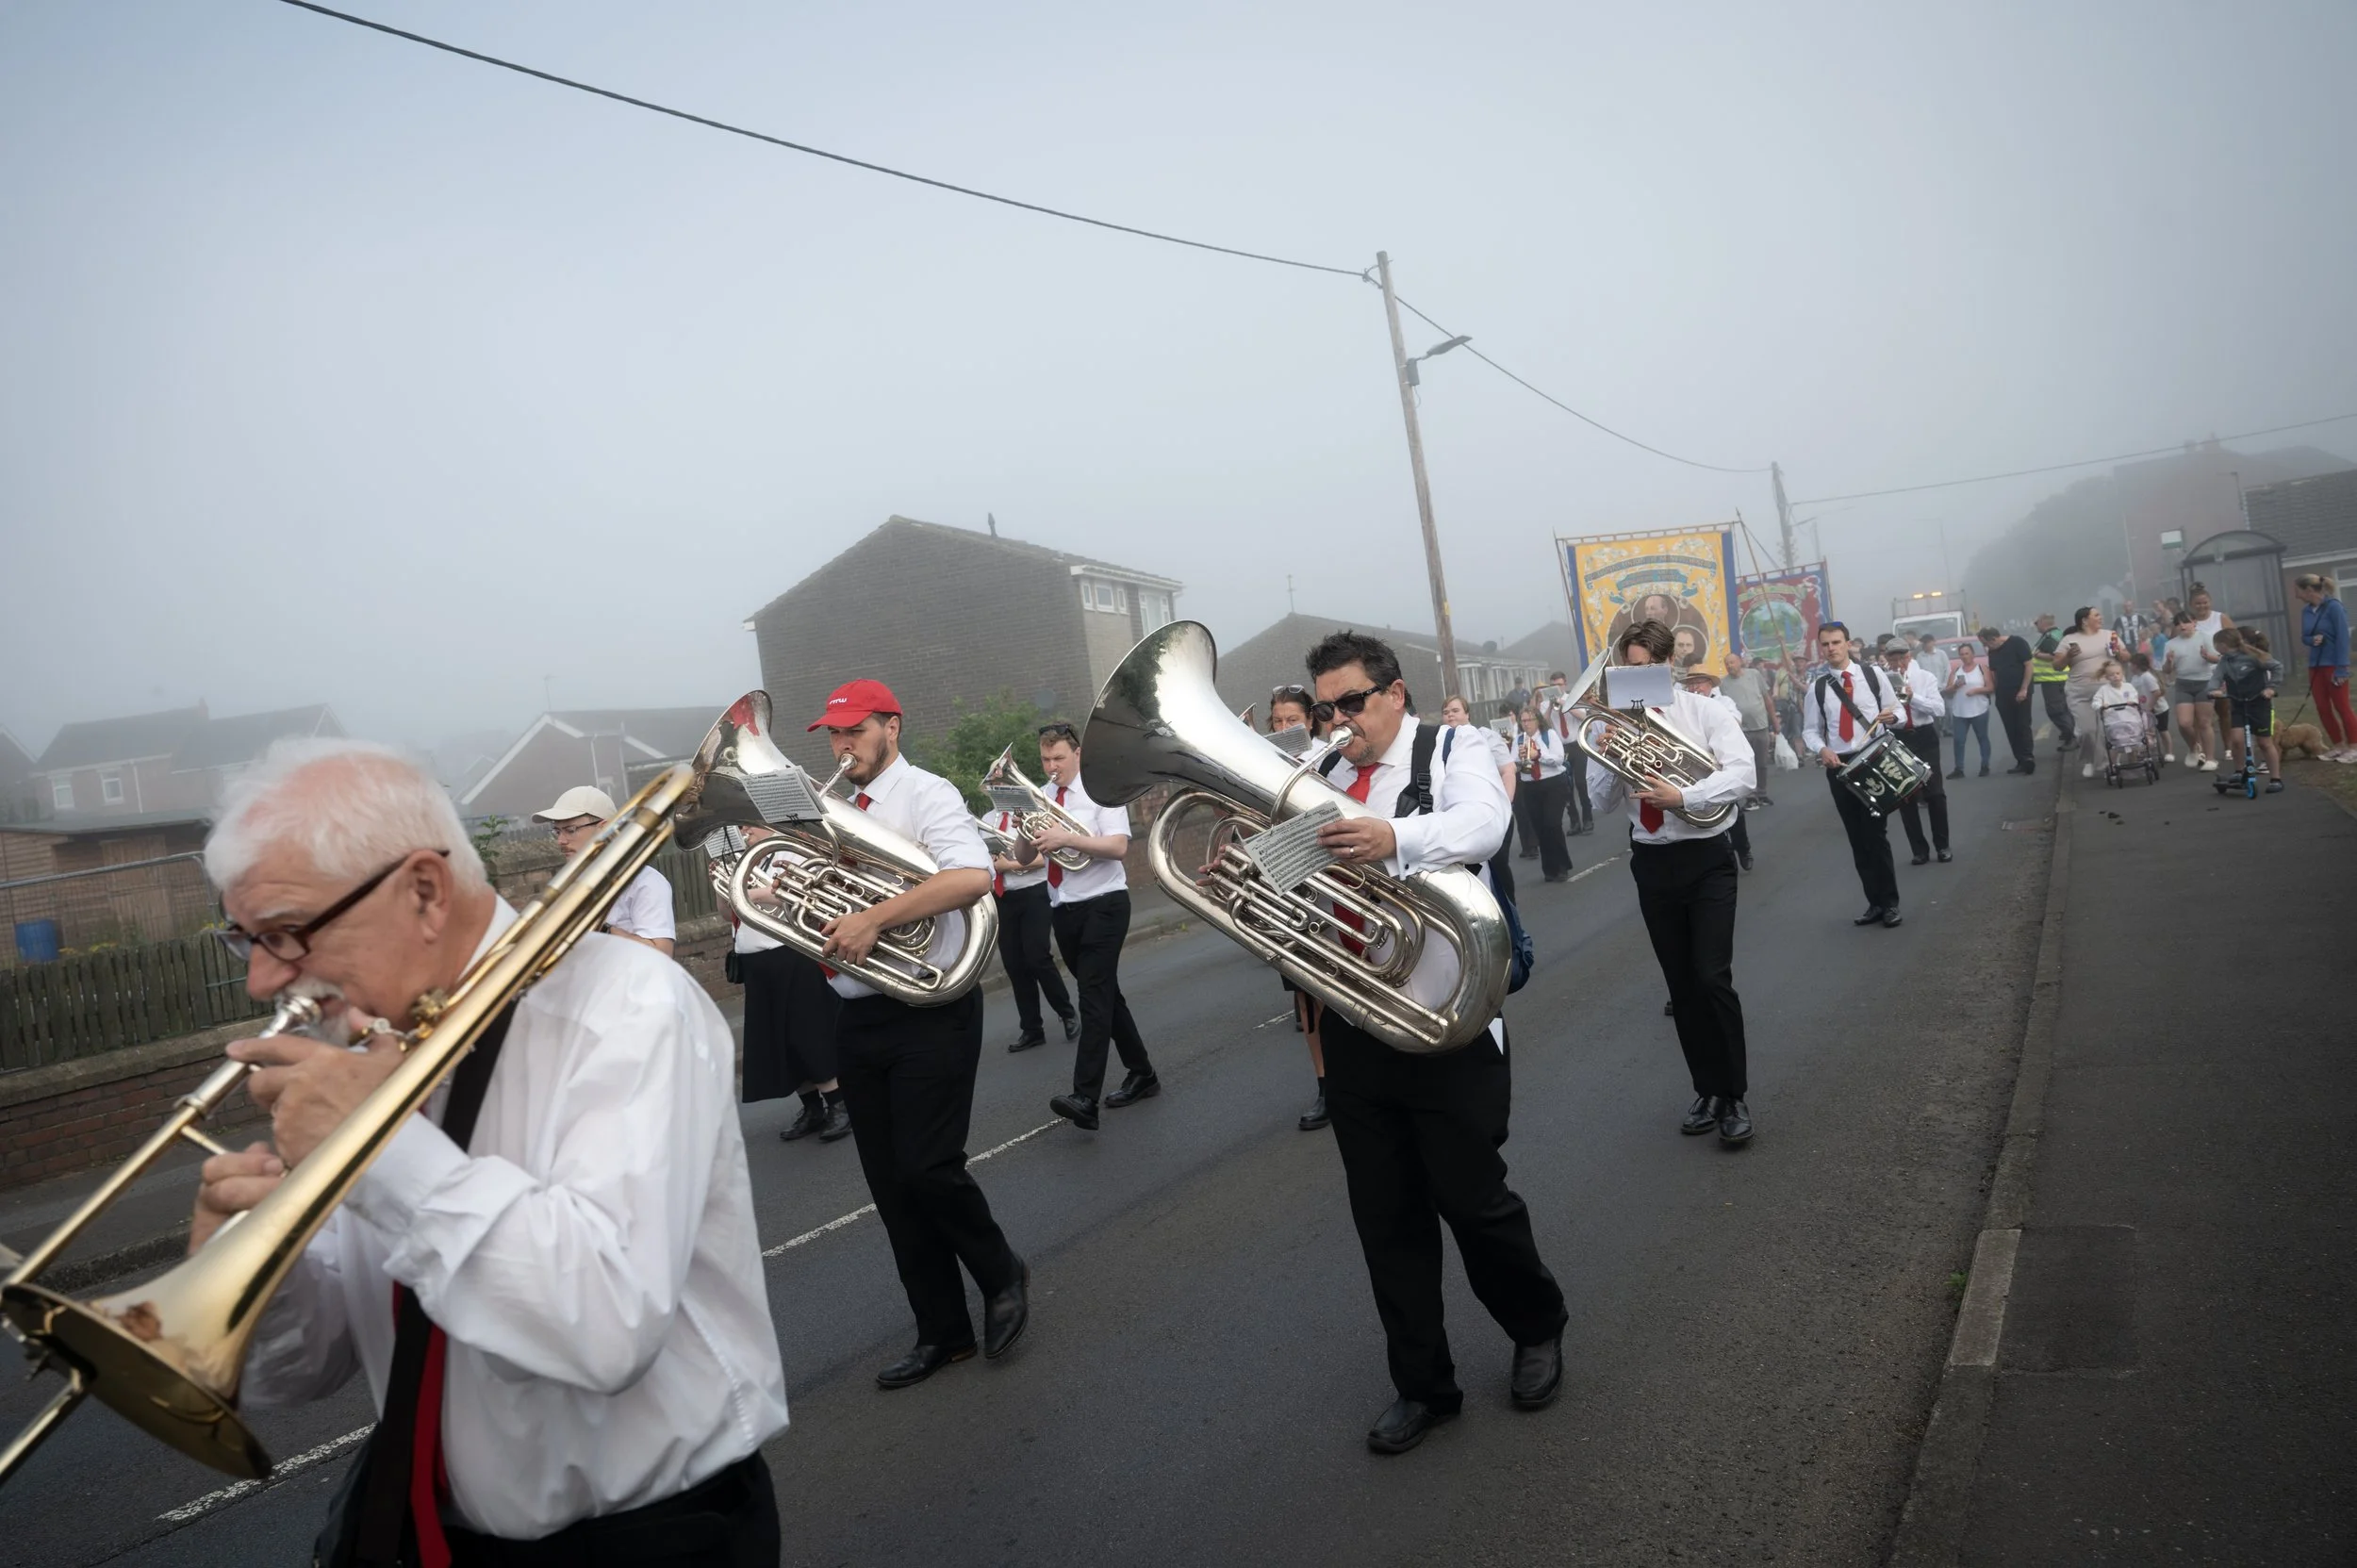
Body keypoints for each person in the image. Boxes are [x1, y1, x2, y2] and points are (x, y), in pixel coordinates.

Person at [194, 739, 788, 1561]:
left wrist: (384, 1153)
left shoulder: (630, 1005)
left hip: (645, 1539)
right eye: (244, 938)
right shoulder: (365, 1040)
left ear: (425, 891)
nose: (262, 979)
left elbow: (604, 1325)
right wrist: (253, 1269)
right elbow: (305, 1370)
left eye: (287, 932)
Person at [1300, 630, 1568, 1454]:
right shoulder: (1319, 777)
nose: (1339, 721)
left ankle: (1536, 1326)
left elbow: (1484, 828)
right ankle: (1425, 1386)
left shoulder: (1455, 746)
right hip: (1357, 1026)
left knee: (1473, 1200)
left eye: (1352, 702)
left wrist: (1396, 839)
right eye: (1326, 707)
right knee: (1387, 1219)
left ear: (1394, 693)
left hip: (1447, 1021)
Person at [807, 679, 1030, 1388]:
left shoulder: (926, 794)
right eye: (835, 736)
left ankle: (1000, 1272)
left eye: (855, 732)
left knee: (929, 1167)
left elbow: (973, 874)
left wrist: (873, 917)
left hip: (932, 1005)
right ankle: (942, 1332)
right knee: (891, 1187)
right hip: (860, 1011)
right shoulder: (829, 806)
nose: (843, 747)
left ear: (891, 728)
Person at [1591, 621, 1757, 1143]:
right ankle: (1705, 1089)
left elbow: (1745, 774)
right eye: (1627, 669)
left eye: (1643, 668)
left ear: (1667, 667)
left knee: (1712, 977)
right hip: (1653, 861)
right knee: (1681, 985)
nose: (1633, 678)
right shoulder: (1611, 724)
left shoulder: (1705, 711)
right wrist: (1611, 755)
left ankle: (1734, 1096)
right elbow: (1599, 804)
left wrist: (1684, 797)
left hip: (1706, 857)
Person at [1020, 720, 1159, 1131]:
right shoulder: (1043, 796)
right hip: (1064, 907)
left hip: (1105, 905)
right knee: (1107, 996)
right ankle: (1143, 1073)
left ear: (1077, 754)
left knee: (1093, 998)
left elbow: (1117, 846)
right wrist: (1025, 823)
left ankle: (1085, 1096)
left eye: (1058, 758)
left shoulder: (1101, 790)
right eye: (1045, 759)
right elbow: (1024, 854)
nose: (1051, 767)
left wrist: (1069, 838)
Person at [733, 824, 851, 1144]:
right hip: (755, 960)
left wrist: (744, 891)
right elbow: (726, 912)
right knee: (778, 1039)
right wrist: (725, 888)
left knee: (807, 1033)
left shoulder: (787, 850)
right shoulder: (749, 861)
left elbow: (797, 893)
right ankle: (812, 1107)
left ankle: (839, 1106)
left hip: (790, 953)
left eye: (749, 825)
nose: (744, 832)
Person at [1801, 620, 1907, 927]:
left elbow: (1897, 709)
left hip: (1872, 759)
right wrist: (1822, 750)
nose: (1831, 648)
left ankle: (1890, 903)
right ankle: (1873, 903)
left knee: (1876, 836)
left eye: (1836, 642)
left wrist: (1893, 716)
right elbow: (1811, 731)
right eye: (1826, 644)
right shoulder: (1817, 688)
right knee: (1857, 839)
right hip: (1840, 767)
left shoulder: (1873, 675)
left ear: (1848, 643)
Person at [533, 784, 676, 956]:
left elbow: (661, 955)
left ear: (604, 828)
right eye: (557, 831)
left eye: (570, 830)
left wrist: (599, 927)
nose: (561, 841)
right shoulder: (569, 883)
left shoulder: (646, 882)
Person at [1285, 686, 1340, 1131]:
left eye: (1292, 720)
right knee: (1308, 999)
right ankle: (1326, 1086)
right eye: (1277, 721)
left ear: (1311, 720)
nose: (1284, 728)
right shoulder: (1264, 764)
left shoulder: (1329, 759)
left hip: (1335, 891)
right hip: (1293, 893)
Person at [984, 804, 1079, 1055]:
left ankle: (1067, 1013)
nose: (996, 788)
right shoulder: (985, 819)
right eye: (992, 783)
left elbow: (1042, 859)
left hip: (1034, 893)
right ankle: (1032, 1028)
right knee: (1014, 964)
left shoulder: (1031, 816)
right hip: (1003, 898)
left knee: (1037, 956)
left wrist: (1009, 866)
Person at [1880, 636, 1951, 866]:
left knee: (1935, 794)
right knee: (1905, 796)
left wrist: (1913, 698)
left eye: (1902, 656)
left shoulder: (1925, 677)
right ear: (1887, 659)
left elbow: (1938, 709)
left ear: (1909, 656)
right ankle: (1919, 849)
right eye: (1893, 657)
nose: (1898, 661)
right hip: (1899, 737)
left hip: (1924, 734)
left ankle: (1943, 846)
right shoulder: (1882, 681)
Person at [1442, 694, 1517, 903]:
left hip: (1493, 812)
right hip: (1461, 818)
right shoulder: (1440, 742)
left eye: (1455, 710)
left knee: (1498, 865)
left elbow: (1508, 770)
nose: (1450, 715)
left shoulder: (1486, 736)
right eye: (1446, 712)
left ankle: (1509, 912)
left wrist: (1506, 805)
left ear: (1467, 714)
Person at [1680, 668, 1755, 871]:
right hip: (1694, 768)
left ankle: (1743, 849)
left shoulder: (1723, 703)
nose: (1695, 687)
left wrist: (1709, 713)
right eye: (1691, 683)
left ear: (1710, 684)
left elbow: (1735, 721)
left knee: (1734, 813)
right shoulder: (1683, 706)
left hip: (1722, 766)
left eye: (1699, 682)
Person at [2048, 606, 2125, 780]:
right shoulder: (2069, 640)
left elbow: (2126, 656)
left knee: (2109, 730)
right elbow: (2057, 665)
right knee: (2087, 731)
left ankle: (2108, 766)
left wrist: (2118, 652)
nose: (2100, 617)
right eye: (2096, 615)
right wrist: (2068, 656)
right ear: (2084, 620)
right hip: (2079, 693)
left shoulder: (2109, 635)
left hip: (2109, 691)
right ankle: (2090, 759)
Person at [2214, 629, 2285, 792]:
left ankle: (2276, 778)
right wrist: (2213, 690)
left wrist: (2271, 688)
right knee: (2237, 740)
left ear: (2223, 645)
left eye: (2216, 645)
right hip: (2238, 703)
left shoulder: (2254, 657)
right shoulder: (2225, 661)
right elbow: (2216, 678)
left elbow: (2277, 667)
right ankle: (2239, 771)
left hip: (2259, 704)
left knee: (2264, 742)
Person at [2296, 573, 2357, 762]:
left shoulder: (2334, 608)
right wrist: (2311, 640)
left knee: (2342, 706)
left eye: (2297, 590)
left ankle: (2354, 747)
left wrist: (2342, 668)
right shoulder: (2306, 611)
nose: (2296, 595)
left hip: (2334, 664)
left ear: (2308, 590)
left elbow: (2343, 639)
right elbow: (2304, 636)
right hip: (2315, 665)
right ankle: (2338, 745)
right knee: (2323, 707)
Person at [1510, 705, 1574, 883]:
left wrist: (1538, 754)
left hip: (1553, 784)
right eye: (1523, 721)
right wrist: (1519, 758)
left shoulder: (1549, 735)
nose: (1526, 724)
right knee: (1540, 828)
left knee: (1552, 824)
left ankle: (1562, 866)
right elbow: (1513, 766)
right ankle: (1549, 868)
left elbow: (1559, 759)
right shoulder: (1518, 741)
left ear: (1537, 720)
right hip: (1531, 786)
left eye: (1530, 720)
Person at [2161, 610, 2218, 770]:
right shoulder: (2171, 644)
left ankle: (2211, 759)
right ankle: (2194, 747)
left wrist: (2207, 656)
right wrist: (2169, 662)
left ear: (2194, 622)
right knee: (2184, 723)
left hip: (2204, 682)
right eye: (2178, 623)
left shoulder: (2205, 638)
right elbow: (2166, 670)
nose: (2182, 626)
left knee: (2204, 722)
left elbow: (2217, 658)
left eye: (2186, 622)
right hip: (2183, 684)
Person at [1720, 652, 1777, 809]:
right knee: (1747, 764)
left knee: (1762, 763)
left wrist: (1775, 722)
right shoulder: (1723, 684)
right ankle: (1751, 797)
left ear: (1739, 662)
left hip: (1761, 726)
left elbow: (1767, 699)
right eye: (1727, 664)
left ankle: (1762, 794)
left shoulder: (1754, 675)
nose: (1729, 666)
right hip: (1741, 731)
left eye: (1732, 662)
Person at [1541, 670, 1595, 835]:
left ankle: (1588, 819)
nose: (1556, 687)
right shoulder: (1545, 704)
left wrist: (1566, 705)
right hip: (1561, 748)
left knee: (1581, 783)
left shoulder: (1574, 698)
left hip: (1577, 745)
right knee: (1566, 788)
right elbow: (1544, 723)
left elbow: (1584, 718)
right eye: (1553, 685)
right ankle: (1574, 822)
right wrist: (1551, 706)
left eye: (1559, 684)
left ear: (1565, 684)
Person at [1980, 625, 2037, 773]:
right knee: (2010, 728)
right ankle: (2020, 760)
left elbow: (2029, 666)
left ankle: (2028, 758)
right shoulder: (1992, 652)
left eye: (1986, 643)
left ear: (1993, 638)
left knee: (2023, 725)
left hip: (2020, 691)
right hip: (2003, 694)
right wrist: (1992, 690)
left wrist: (2024, 688)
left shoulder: (2017, 643)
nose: (1985, 647)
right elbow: (1994, 673)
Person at [1944, 640, 1994, 777]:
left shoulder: (1982, 668)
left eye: (1967, 653)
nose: (1965, 656)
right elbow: (1947, 690)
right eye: (1962, 654)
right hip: (1960, 711)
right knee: (1959, 740)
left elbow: (1990, 687)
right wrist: (1955, 686)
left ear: (1972, 654)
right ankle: (1959, 768)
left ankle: (1985, 765)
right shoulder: (1956, 671)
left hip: (1979, 709)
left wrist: (1976, 690)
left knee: (1982, 737)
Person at [2030, 613, 2075, 753]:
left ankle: (2072, 737)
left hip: (2054, 679)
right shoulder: (2057, 633)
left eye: (2036, 623)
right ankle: (2070, 735)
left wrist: (2037, 655)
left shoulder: (2050, 638)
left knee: (2056, 711)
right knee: (2063, 709)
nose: (2035, 626)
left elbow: (2056, 655)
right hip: (2056, 678)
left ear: (2044, 622)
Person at [2127, 652, 2167, 761]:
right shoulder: (2135, 678)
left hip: (2158, 708)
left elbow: (2157, 692)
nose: (2129, 666)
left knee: (2163, 730)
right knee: (2148, 730)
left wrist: (2150, 706)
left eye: (2130, 664)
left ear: (2135, 665)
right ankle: (2149, 750)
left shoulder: (2147, 677)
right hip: (2144, 709)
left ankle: (2169, 752)